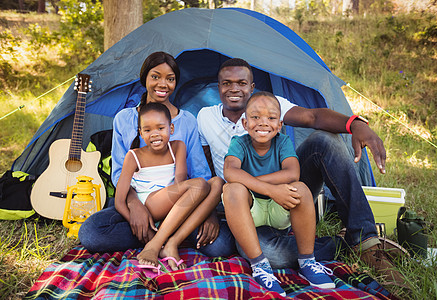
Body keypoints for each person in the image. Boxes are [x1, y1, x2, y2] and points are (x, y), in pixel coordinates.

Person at [197, 58, 403, 285]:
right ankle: (340, 245)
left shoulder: (269, 106)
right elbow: (211, 171)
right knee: (230, 247)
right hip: (242, 202)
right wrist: (211, 212)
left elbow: (313, 117)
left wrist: (355, 124)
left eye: (241, 83)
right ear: (218, 87)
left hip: (285, 195)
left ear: (252, 86)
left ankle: (365, 240)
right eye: (226, 83)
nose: (234, 89)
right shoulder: (206, 117)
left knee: (325, 140)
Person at [79, 52, 235, 258]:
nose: (163, 84)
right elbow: (118, 174)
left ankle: (163, 236)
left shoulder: (186, 121)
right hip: (140, 199)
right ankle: (163, 234)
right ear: (144, 79)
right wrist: (135, 206)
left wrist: (208, 212)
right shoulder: (124, 119)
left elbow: (201, 174)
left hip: (183, 201)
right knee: (91, 233)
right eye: (155, 76)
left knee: (221, 246)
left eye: (170, 79)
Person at [223, 92, 335, 295]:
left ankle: (307, 260)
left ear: (280, 124)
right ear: (245, 123)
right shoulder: (239, 143)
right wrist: (270, 189)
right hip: (251, 212)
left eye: (271, 118)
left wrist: (252, 182)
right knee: (231, 189)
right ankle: (259, 266)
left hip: (278, 209)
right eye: (255, 117)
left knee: (300, 187)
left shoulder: (282, 142)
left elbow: (293, 173)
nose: (263, 123)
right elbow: (230, 172)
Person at [115, 102, 216, 270]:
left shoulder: (178, 147)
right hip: (149, 204)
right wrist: (140, 224)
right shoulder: (133, 156)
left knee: (217, 183)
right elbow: (119, 201)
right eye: (147, 130)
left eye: (160, 128)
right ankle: (154, 245)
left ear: (171, 128)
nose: (154, 134)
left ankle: (170, 243)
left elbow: (180, 183)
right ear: (140, 133)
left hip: (172, 204)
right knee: (199, 184)